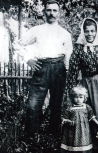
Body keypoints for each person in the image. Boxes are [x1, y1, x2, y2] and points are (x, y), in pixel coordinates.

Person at [13, 0, 73, 137]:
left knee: (56, 104)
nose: (51, 13)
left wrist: (67, 70)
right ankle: (31, 136)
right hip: (41, 67)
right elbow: (18, 44)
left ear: (59, 13)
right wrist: (28, 60)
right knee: (33, 104)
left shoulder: (65, 34)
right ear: (44, 12)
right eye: (49, 10)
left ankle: (53, 136)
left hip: (59, 68)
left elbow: (68, 54)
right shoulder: (37, 30)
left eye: (54, 10)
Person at [61, 85, 98, 153]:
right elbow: (64, 118)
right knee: (73, 142)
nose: (78, 99)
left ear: (84, 98)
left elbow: (91, 116)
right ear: (72, 97)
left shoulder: (87, 107)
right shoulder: (70, 108)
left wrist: (97, 122)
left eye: (81, 97)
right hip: (73, 130)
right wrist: (69, 122)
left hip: (84, 130)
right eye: (76, 97)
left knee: (84, 143)